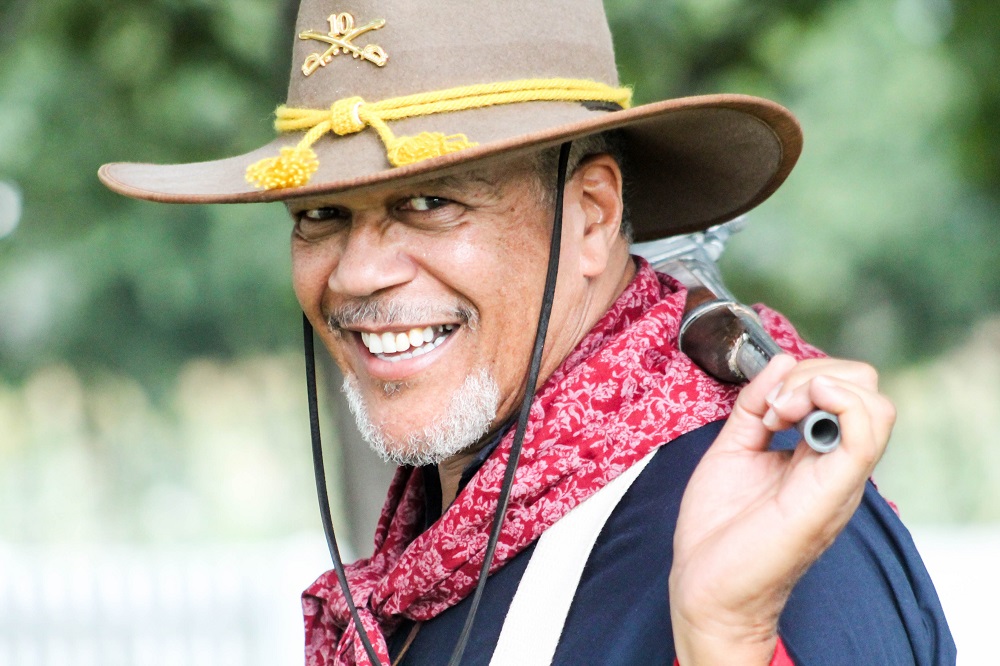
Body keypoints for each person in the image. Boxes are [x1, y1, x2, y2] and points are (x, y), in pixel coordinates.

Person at [99, 0, 955, 664]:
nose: (357, 273)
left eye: (429, 202)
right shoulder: (443, 541)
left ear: (592, 216)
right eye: (321, 213)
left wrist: (727, 636)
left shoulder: (777, 527)